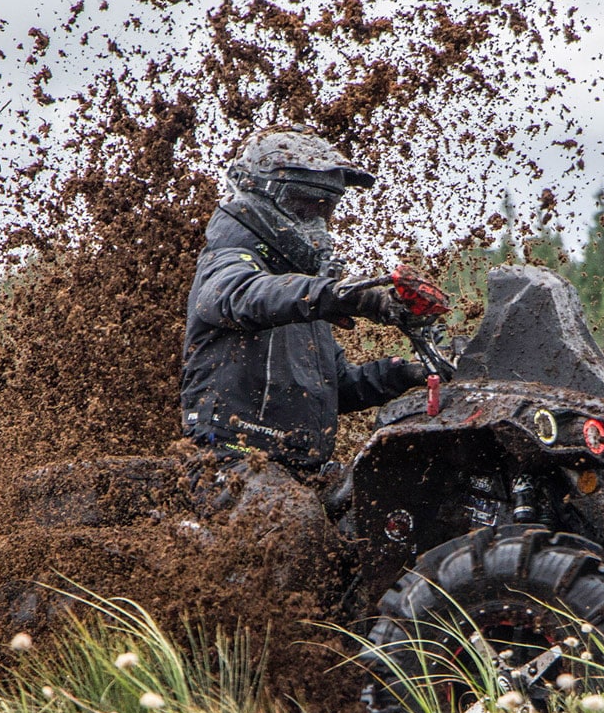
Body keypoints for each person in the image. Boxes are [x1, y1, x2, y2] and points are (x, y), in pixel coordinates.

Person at [180, 124, 432, 487]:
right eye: (301, 207)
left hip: (301, 470)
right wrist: (344, 295)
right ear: (256, 195)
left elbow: (333, 387)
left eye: (323, 210)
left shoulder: (304, 296)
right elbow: (245, 295)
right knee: (294, 522)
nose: (315, 224)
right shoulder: (227, 264)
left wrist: (404, 375)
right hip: (227, 464)